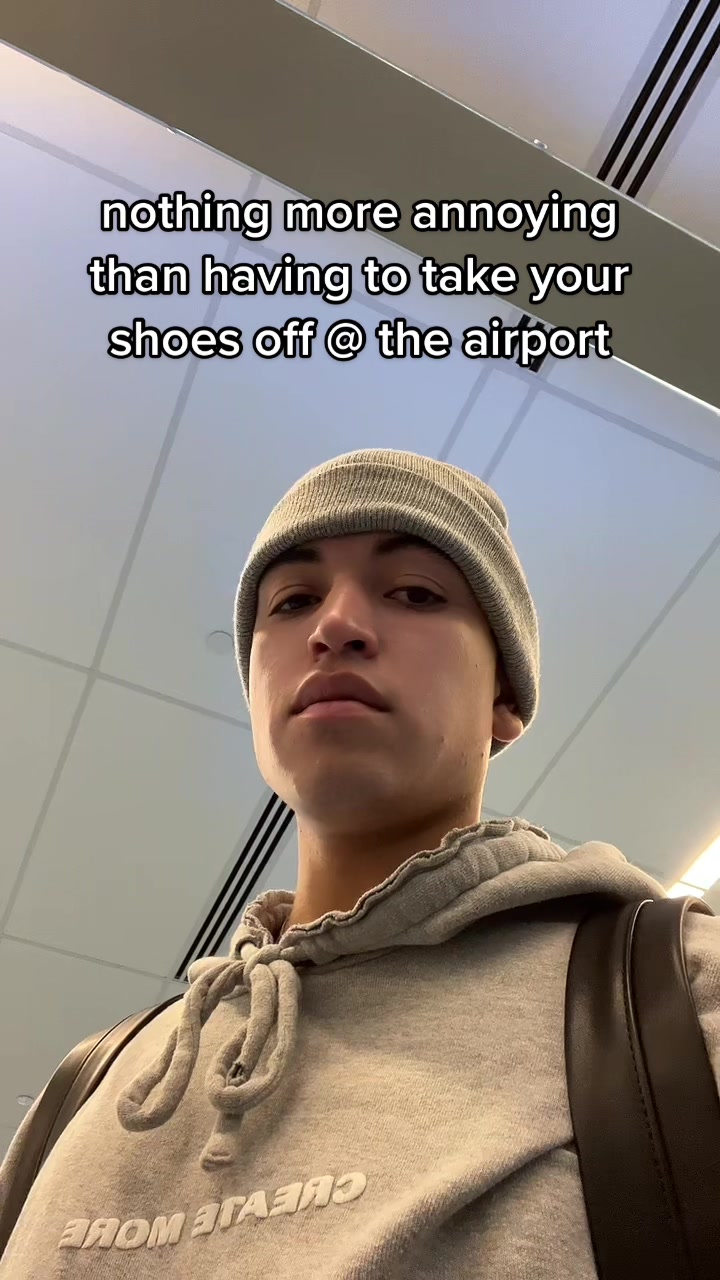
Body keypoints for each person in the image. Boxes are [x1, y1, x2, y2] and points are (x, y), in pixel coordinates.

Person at [1, 448, 718, 1278]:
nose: (334, 625)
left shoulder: (670, 999)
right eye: (293, 601)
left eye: (415, 593)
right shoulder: (93, 1085)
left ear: (506, 698)